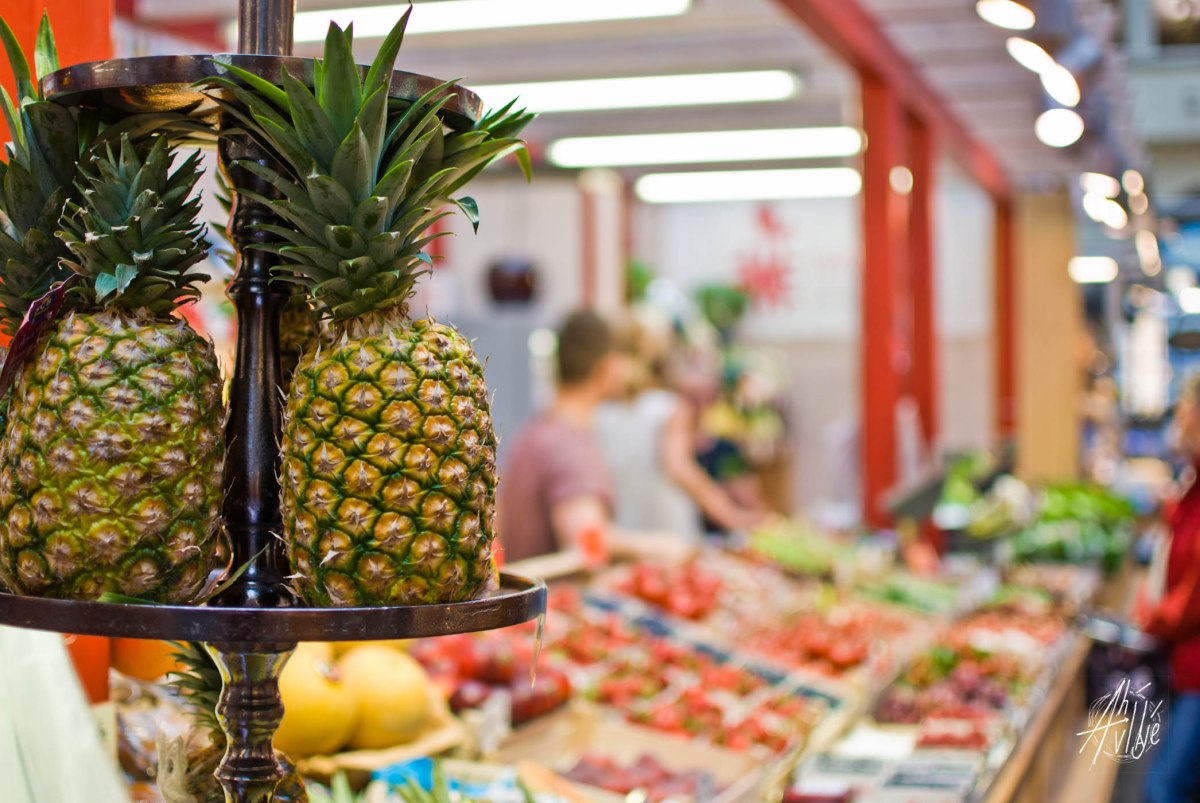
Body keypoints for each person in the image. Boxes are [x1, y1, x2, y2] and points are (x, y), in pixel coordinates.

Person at [496, 310, 691, 565]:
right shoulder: (568, 443)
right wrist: (662, 545)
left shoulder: (534, 432)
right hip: (554, 600)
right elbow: (585, 535)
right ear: (607, 367)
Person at [595, 311, 768, 541]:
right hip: (667, 536)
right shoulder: (668, 408)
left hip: (624, 533)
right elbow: (680, 468)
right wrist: (734, 516)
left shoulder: (601, 412)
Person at [1137, 374, 1200, 803]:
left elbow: (1189, 603)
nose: (1179, 419)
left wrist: (1148, 616)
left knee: (1164, 788)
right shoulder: (1194, 482)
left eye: (1186, 409)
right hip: (1186, 666)